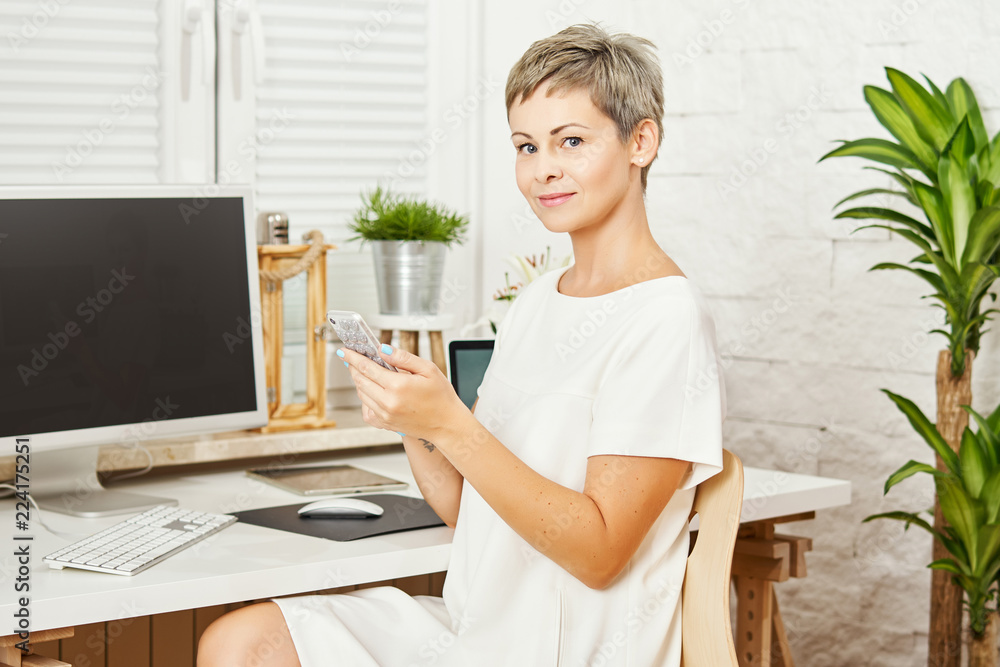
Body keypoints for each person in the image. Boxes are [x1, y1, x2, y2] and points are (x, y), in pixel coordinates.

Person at [197, 23, 725, 667]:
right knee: (239, 643)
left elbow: (599, 553)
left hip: (571, 650)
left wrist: (453, 423)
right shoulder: (537, 302)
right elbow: (469, 517)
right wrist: (416, 421)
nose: (544, 169)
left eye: (572, 141)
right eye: (526, 146)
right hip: (477, 633)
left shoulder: (665, 317)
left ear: (641, 141)